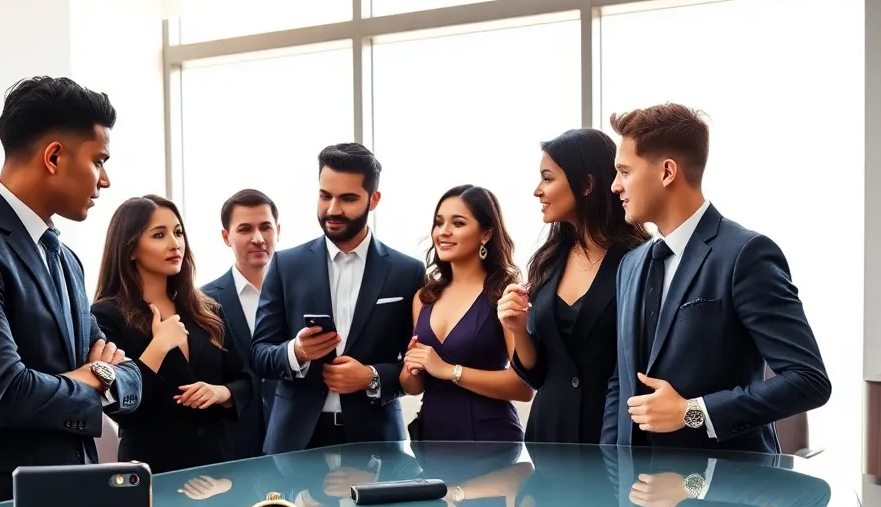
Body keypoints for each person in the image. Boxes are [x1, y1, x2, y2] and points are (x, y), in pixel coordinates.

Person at [0, 76, 142, 507]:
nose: (106, 180)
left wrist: (100, 375)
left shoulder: (65, 257)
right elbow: (6, 394)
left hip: (73, 496)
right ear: (54, 156)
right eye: (99, 161)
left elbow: (130, 378)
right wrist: (98, 375)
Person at [600, 103, 830, 453]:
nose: (615, 186)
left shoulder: (745, 254)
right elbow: (621, 382)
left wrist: (692, 413)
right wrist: (612, 480)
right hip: (632, 498)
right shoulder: (630, 265)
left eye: (624, 171)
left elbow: (808, 380)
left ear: (666, 172)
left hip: (721, 492)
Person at [250, 143, 425, 453]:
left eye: (347, 199)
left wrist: (370, 377)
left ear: (374, 200)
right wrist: (297, 352)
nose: (332, 209)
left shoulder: (407, 271)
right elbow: (259, 355)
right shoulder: (285, 265)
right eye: (325, 196)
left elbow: (416, 362)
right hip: (295, 443)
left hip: (376, 442)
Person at [497, 129, 651, 444]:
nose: (537, 191)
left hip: (612, 434)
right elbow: (537, 375)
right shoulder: (548, 262)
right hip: (548, 436)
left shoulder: (640, 260)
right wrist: (517, 329)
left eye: (548, 178)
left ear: (587, 184)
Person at [91, 195, 252, 474]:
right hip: (153, 473)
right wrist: (159, 345)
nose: (175, 243)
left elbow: (244, 381)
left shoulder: (206, 309)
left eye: (178, 232)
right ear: (130, 248)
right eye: (159, 235)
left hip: (218, 472)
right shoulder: (105, 315)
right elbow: (120, 408)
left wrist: (219, 392)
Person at [400, 185, 530, 442]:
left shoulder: (504, 294)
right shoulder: (424, 298)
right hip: (431, 438)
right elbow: (414, 387)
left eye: (457, 223)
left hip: (490, 439)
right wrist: (410, 370)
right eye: (439, 223)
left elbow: (523, 387)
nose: (443, 232)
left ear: (486, 233)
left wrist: (449, 370)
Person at [201, 189, 281, 459]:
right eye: (245, 229)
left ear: (277, 231)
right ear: (226, 237)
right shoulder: (203, 302)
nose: (258, 239)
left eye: (265, 227)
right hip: (232, 444)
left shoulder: (300, 293)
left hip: (294, 441)